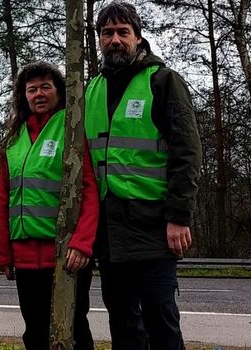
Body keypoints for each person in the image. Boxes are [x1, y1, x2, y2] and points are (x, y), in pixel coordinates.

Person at [85, 2, 202, 349]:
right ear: (99, 40)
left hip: (154, 225)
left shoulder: (163, 81)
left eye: (123, 32)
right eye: (108, 33)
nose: (115, 40)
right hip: (108, 231)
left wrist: (179, 217)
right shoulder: (91, 90)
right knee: (122, 322)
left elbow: (187, 151)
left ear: (138, 37)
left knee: (160, 318)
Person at [0, 61, 99, 350]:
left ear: (59, 92)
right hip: (24, 257)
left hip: (65, 256)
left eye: (45, 87)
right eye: (32, 89)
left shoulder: (72, 129)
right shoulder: (13, 140)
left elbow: (88, 188)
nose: (38, 94)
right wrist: (1, 252)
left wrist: (82, 243)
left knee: (74, 330)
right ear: (23, 96)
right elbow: (2, 197)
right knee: (35, 333)